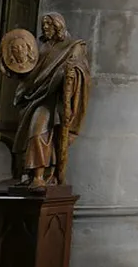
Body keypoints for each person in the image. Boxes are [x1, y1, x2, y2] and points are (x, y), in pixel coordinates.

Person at [10, 13, 91, 188]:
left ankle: (39, 176)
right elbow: (30, 72)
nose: (45, 27)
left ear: (58, 25)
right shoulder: (41, 47)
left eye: (48, 24)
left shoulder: (74, 46)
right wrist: (13, 68)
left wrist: (71, 72)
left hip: (54, 100)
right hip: (34, 97)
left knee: (38, 131)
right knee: (30, 135)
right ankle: (32, 175)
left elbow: (81, 69)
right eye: (43, 24)